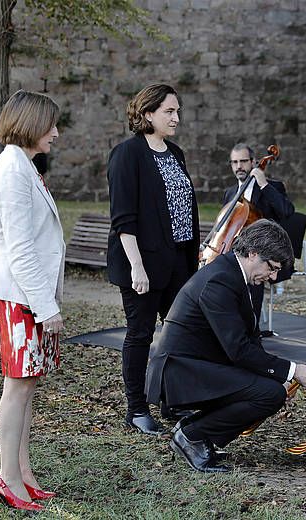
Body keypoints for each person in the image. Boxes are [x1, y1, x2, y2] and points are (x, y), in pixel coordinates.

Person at [145, 219, 306, 473]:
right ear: (252, 254)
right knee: (269, 394)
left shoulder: (234, 273)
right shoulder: (221, 280)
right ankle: (193, 436)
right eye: (271, 268)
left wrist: (278, 375)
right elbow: (238, 349)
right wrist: (293, 371)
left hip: (200, 364)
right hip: (181, 371)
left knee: (271, 389)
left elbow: (248, 341)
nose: (273, 277)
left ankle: (196, 434)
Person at [0, 90, 64, 512]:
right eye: (51, 125)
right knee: (17, 387)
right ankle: (7, 479)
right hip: (20, 296)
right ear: (31, 124)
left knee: (27, 386)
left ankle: (22, 472)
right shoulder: (12, 170)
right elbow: (20, 250)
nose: (56, 133)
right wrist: (46, 308)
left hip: (28, 295)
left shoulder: (22, 166)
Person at [107, 83, 200, 435]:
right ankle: (136, 408)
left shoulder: (175, 153)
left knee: (181, 334)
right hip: (141, 263)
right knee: (140, 333)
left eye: (177, 111)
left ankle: (172, 401)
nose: (176, 117)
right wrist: (137, 267)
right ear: (147, 114)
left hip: (178, 260)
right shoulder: (127, 155)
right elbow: (124, 218)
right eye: (169, 112)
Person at [222, 143, 295, 323]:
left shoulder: (272, 187)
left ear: (254, 162)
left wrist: (263, 184)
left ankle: (250, 327)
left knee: (253, 264)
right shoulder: (229, 193)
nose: (238, 166)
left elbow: (287, 212)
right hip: (235, 250)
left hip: (263, 253)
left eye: (243, 161)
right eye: (234, 162)